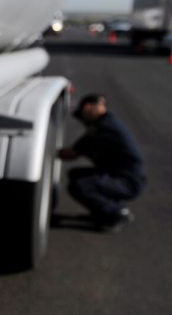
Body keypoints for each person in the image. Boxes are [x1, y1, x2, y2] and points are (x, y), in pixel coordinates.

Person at [58, 94, 146, 232]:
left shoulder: (103, 128)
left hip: (127, 183)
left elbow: (70, 154)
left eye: (82, 116)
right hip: (123, 178)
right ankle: (101, 214)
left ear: (87, 108)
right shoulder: (107, 124)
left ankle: (117, 213)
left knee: (79, 185)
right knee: (76, 174)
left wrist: (45, 150)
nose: (83, 122)